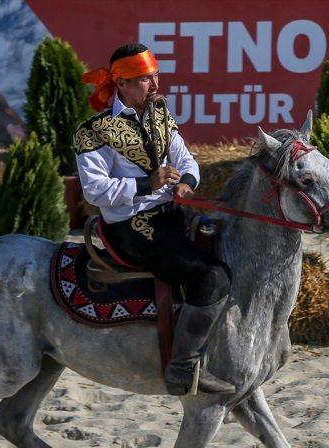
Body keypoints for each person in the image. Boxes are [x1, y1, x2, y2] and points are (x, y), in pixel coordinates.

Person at [74, 43, 234, 396]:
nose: (156, 84)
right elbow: (94, 191)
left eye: (156, 76)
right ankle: (183, 368)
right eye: (146, 79)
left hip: (170, 213)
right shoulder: (94, 131)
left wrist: (188, 184)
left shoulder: (161, 115)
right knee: (212, 276)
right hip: (129, 225)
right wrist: (148, 183)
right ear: (122, 84)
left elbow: (186, 160)